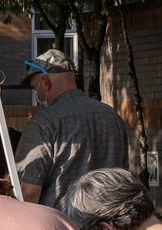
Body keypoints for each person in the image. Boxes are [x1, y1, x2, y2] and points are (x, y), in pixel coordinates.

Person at [16, 48, 128, 208]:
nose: (38, 95)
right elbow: (122, 175)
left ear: (45, 83)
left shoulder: (42, 123)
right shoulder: (112, 116)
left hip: (61, 227)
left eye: (36, 88)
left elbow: (28, 193)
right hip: (109, 225)